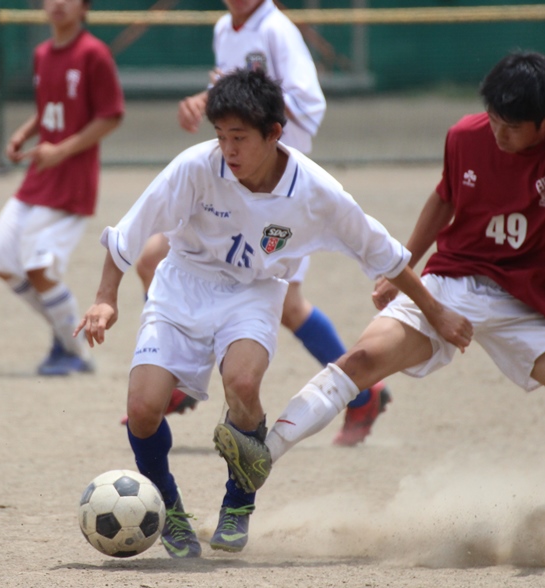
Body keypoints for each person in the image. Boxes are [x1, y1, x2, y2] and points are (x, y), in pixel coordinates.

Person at [74, 69, 468, 558]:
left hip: (253, 292)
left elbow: (384, 253)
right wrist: (105, 297)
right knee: (142, 408)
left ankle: (238, 501)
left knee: (242, 384)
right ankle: (170, 511)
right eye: (221, 136)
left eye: (239, 138)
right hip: (182, 285)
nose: (228, 149)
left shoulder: (316, 192)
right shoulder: (195, 167)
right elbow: (128, 233)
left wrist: (435, 311)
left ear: (274, 133)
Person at [127, 0, 390, 447]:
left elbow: (308, 103)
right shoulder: (223, 28)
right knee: (153, 259)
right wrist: (209, 99)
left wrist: (257, 123)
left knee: (288, 305)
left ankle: (363, 392)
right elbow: (232, 96)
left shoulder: (276, 29)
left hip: (277, 196)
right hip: (237, 187)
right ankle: (178, 369)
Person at [265, 50, 545, 466]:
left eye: (514, 127)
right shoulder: (465, 137)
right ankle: (263, 452)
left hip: (526, 297)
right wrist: (404, 267)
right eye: (494, 120)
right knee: (361, 359)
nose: (500, 134)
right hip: (456, 279)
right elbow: (445, 197)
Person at [0, 0, 123, 376]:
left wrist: (62, 150)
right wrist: (25, 132)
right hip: (39, 176)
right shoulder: (42, 54)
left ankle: (74, 351)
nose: (58, 3)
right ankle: (65, 333)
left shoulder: (94, 53)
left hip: (71, 181)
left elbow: (110, 115)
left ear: (85, 7)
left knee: (39, 268)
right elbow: (50, 108)